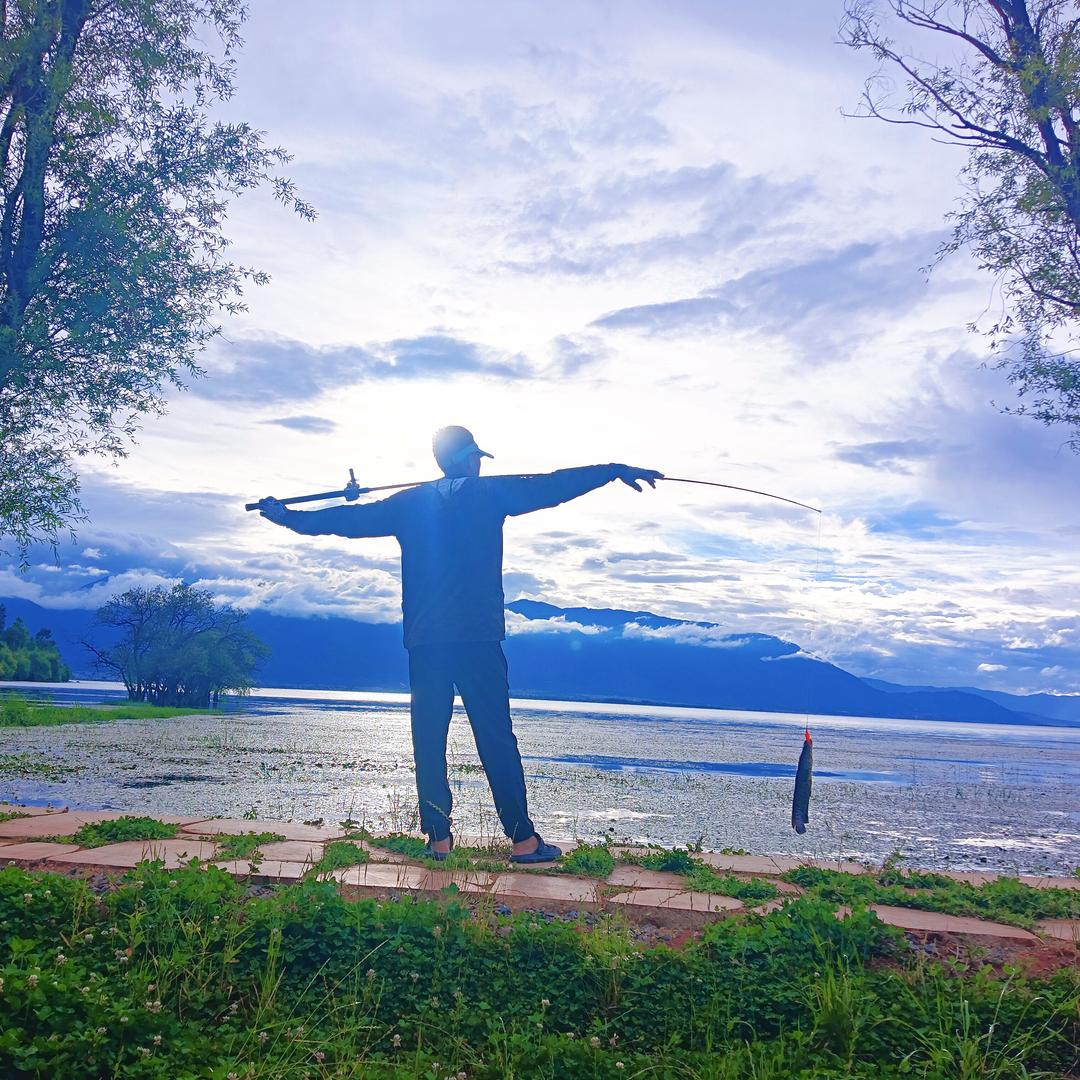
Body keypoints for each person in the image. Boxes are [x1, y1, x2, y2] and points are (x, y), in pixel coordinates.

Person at [258, 426, 662, 862]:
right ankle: (523, 840)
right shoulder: (490, 495)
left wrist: (287, 517)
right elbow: (553, 484)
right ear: (470, 459)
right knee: (495, 738)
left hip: (427, 642)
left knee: (428, 738)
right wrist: (613, 470)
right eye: (479, 459)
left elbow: (344, 521)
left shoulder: (408, 504)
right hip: (477, 638)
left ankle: (438, 839)